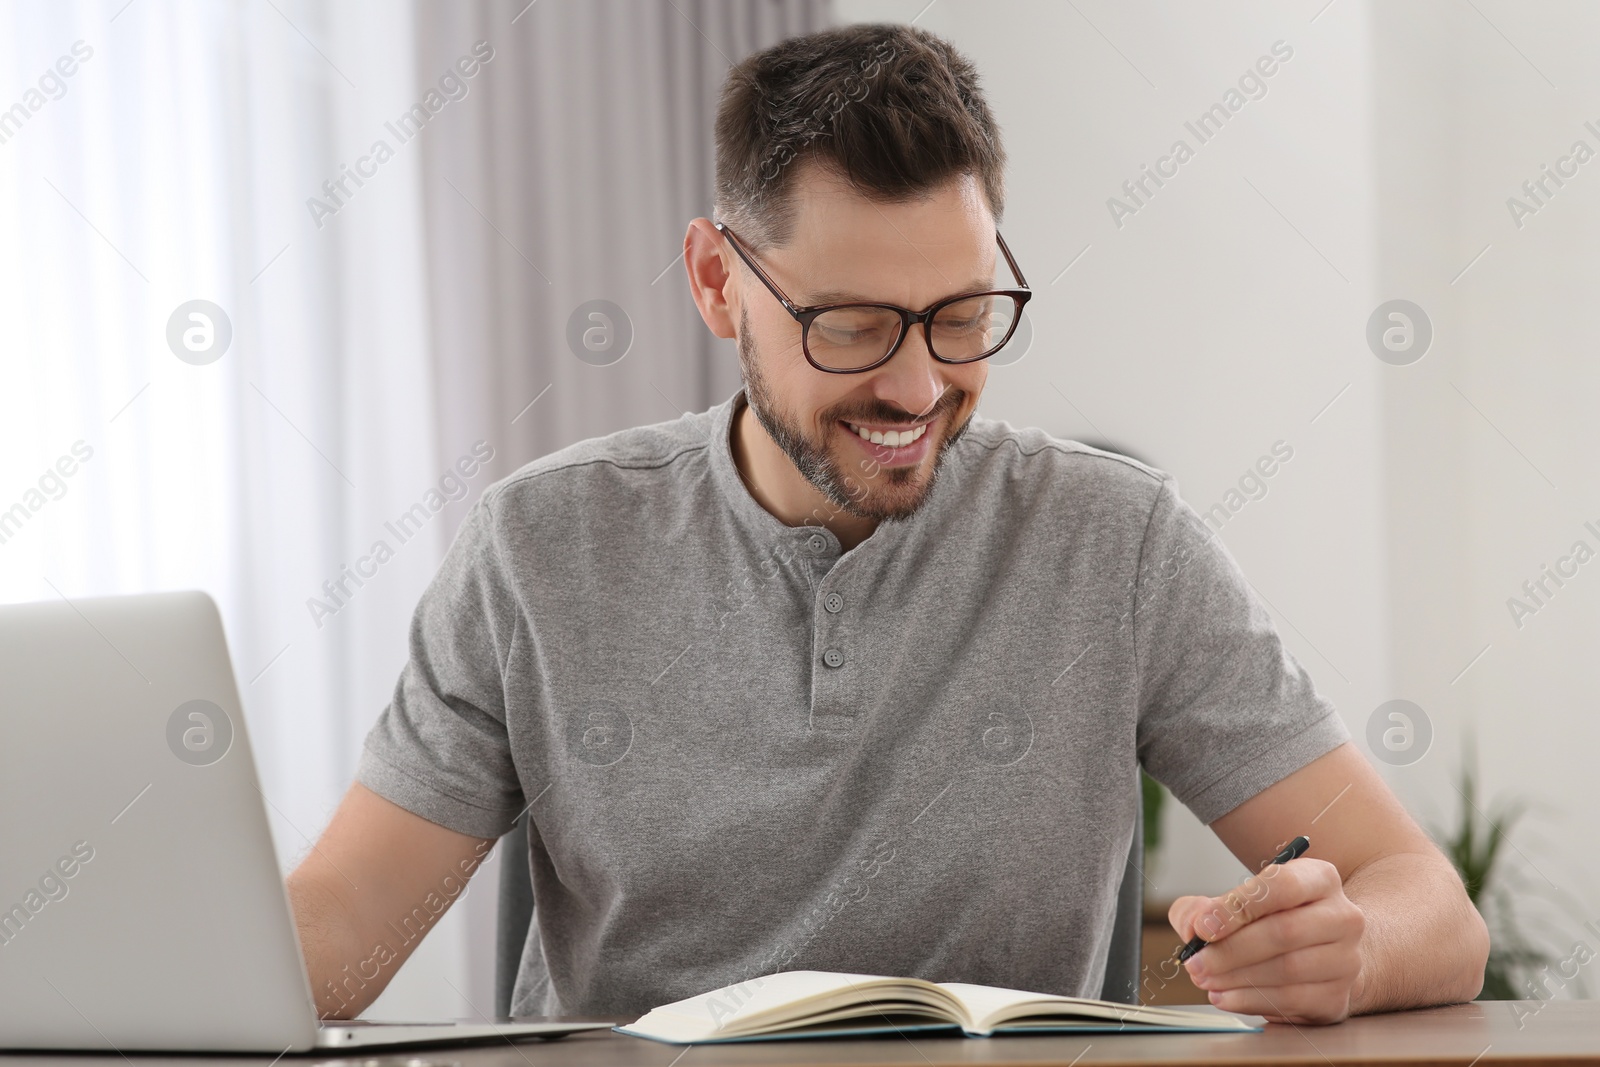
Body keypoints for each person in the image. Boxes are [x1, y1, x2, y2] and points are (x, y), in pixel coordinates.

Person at [287, 22, 1487, 1027]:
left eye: (962, 314)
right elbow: (339, 941)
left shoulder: (1113, 545)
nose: (917, 388)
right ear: (717, 283)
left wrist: (1351, 948)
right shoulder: (541, 548)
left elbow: (1429, 906)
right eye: (852, 324)